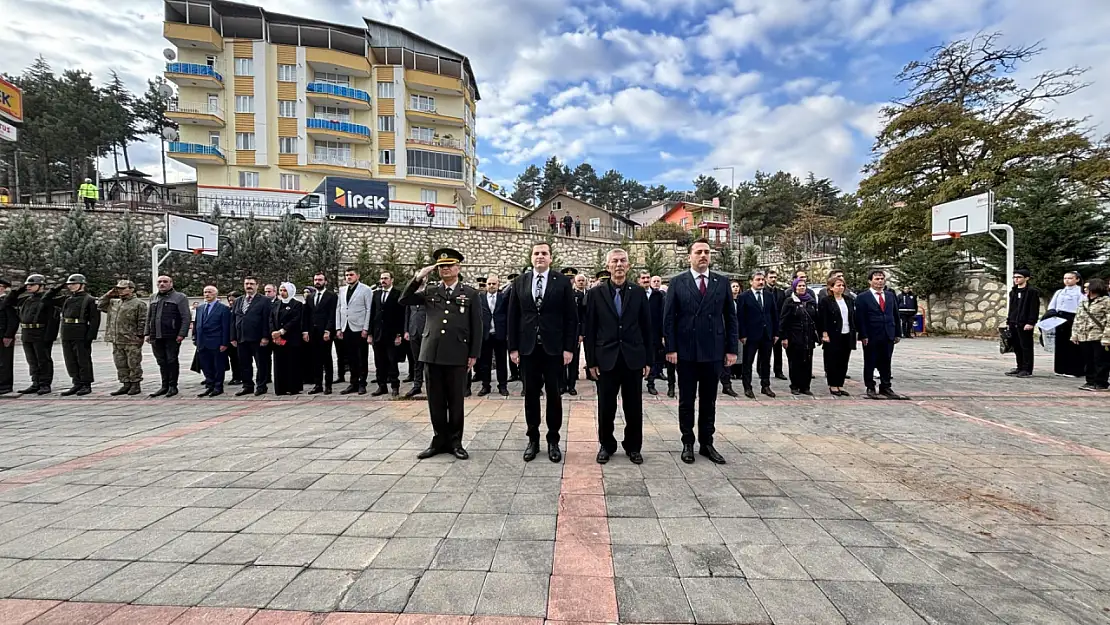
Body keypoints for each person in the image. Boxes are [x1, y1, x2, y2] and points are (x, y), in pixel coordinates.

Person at [663, 239, 739, 465]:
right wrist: (671, 348)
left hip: (713, 350)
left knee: (709, 400)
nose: (703, 255)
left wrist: (731, 349)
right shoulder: (678, 282)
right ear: (689, 256)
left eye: (706, 252)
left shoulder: (722, 282)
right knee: (686, 400)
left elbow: (731, 318)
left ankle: (707, 442)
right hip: (686, 351)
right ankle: (687, 441)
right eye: (698, 252)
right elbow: (668, 319)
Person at [402, 248, 483, 460]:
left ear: (458, 267)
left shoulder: (470, 293)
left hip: (457, 353)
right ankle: (438, 440)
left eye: (449, 265)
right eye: (441, 266)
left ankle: (456, 442)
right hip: (432, 354)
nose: (445, 269)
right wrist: (418, 277)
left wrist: (473, 354)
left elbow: (477, 326)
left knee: (456, 401)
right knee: (435, 401)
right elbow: (404, 300)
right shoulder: (429, 291)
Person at [508, 241, 578, 463]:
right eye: (536, 253)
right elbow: (513, 317)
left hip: (554, 349)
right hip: (528, 349)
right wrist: (513, 348)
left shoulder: (562, 282)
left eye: (544, 253)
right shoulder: (520, 282)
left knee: (554, 396)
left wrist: (569, 348)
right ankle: (533, 439)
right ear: (531, 257)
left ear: (550, 258)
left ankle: (553, 440)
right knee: (530, 395)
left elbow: (571, 318)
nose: (540, 256)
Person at [585, 249, 652, 464]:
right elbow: (590, 329)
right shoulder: (596, 293)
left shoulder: (638, 292)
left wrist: (648, 360)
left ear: (629, 265)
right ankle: (606, 445)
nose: (619, 264)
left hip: (633, 357)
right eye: (615, 261)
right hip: (606, 358)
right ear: (608, 266)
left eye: (623, 261)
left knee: (633, 406)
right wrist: (591, 362)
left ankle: (633, 446)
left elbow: (646, 327)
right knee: (606, 406)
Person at [3, 275, 60, 395]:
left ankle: (45, 384)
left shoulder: (46, 300)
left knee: (43, 359)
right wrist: (20, 290)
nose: (28, 287)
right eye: (27, 285)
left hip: (40, 332)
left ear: (41, 286)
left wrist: (49, 337)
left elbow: (53, 320)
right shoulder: (26, 300)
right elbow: (7, 302)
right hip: (27, 332)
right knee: (32, 360)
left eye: (31, 285)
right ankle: (35, 382)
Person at [856, 270, 908, 400]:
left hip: (888, 333)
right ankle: (870, 387)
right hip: (871, 335)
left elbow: (895, 315)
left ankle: (886, 386)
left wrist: (897, 332)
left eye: (882, 278)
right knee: (870, 361)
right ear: (870, 281)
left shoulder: (890, 295)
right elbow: (860, 318)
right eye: (877, 279)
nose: (880, 281)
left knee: (886, 361)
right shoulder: (863, 297)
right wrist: (863, 335)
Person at [51, 274, 100, 396]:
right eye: (69, 284)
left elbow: (95, 320)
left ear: (82, 285)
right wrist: (59, 286)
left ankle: (86, 384)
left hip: (81, 330)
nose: (71, 286)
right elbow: (46, 300)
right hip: (67, 331)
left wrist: (90, 336)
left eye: (74, 284)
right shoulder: (68, 299)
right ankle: (76, 382)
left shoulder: (90, 299)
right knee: (70, 359)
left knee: (83, 359)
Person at [99, 280, 148, 396]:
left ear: (131, 289)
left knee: (133, 363)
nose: (120, 290)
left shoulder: (139, 303)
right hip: (117, 339)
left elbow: (142, 321)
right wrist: (109, 294)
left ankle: (135, 384)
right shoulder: (114, 303)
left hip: (131, 339)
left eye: (123, 288)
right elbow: (100, 305)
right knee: (120, 363)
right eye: (118, 288)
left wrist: (140, 337)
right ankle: (125, 383)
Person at [146, 275, 190, 398]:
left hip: (172, 335)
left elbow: (186, 317)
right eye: (159, 282)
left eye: (165, 282)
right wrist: (147, 333)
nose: (162, 284)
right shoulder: (153, 297)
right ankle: (164, 386)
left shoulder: (180, 297)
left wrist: (182, 333)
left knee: (171, 360)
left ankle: (172, 386)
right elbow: (149, 317)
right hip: (156, 335)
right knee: (161, 361)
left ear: (171, 283)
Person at [737, 270, 779, 399]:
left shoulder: (768, 295)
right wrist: (742, 334)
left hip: (767, 334)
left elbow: (774, 315)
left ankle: (765, 386)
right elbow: (740, 317)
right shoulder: (744, 296)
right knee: (748, 362)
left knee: (766, 361)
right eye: (758, 280)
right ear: (751, 281)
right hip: (750, 335)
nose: (761, 282)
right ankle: (747, 387)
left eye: (762, 280)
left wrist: (776, 333)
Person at [231, 277, 273, 396]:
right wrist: (233, 337)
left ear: (257, 285)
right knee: (244, 363)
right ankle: (247, 385)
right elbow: (233, 319)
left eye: (251, 284)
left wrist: (265, 337)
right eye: (246, 283)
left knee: (261, 363)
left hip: (258, 338)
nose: (249, 286)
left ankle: (261, 386)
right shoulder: (238, 300)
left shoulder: (264, 300)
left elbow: (267, 319)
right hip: (241, 338)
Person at [336, 268, 373, 394]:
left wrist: (366, 328)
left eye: (351, 275)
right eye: (346, 275)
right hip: (346, 327)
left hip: (359, 327)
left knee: (361, 357)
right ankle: (353, 382)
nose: (348, 277)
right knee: (350, 357)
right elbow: (339, 308)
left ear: (358, 275)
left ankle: (362, 383)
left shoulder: (366, 290)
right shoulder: (342, 290)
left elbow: (369, 309)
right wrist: (338, 327)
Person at [779, 278, 818, 396]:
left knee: (807, 362)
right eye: (799, 286)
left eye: (804, 286)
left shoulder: (811, 301)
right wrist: (784, 337)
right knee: (795, 362)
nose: (802, 288)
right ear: (794, 288)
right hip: (794, 337)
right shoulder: (790, 301)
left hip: (808, 337)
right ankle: (795, 385)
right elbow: (783, 320)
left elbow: (816, 319)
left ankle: (805, 386)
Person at [818, 276, 856, 396]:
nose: (841, 288)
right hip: (833, 334)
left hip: (847, 333)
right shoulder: (826, 301)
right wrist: (824, 333)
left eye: (842, 285)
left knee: (843, 360)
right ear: (831, 287)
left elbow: (852, 317)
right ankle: (833, 385)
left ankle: (840, 384)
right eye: (838, 285)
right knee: (832, 360)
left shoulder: (848, 300)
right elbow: (822, 318)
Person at [369, 271, 405, 397]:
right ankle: (381, 386)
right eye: (381, 278)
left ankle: (395, 386)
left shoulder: (397, 294)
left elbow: (401, 316)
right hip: (378, 334)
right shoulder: (376, 294)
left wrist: (399, 334)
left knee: (392, 361)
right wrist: (370, 333)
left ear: (391, 280)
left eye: (386, 278)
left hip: (392, 334)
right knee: (379, 362)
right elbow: (372, 314)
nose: (383, 280)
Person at [1071, 278, 1110, 391]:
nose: (1085, 289)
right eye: (1085, 287)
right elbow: (1077, 319)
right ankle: (1090, 381)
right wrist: (1074, 334)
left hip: (1099, 336)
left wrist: (1107, 337)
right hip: (1084, 336)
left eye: (1088, 287)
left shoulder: (1106, 301)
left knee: (1101, 360)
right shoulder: (1084, 302)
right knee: (1088, 360)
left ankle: (1101, 383)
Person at [193, 285, 232, 397]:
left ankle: (218, 387)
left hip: (216, 342)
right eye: (205, 292)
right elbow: (197, 324)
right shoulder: (200, 308)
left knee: (218, 366)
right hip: (202, 343)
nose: (207, 294)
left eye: (209, 292)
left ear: (215, 294)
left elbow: (225, 327)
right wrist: (195, 338)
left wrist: (225, 343)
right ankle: (209, 385)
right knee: (206, 366)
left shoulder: (223, 309)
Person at [303, 272, 338, 394]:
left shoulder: (332, 296)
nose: (317, 282)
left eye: (320, 280)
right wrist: (305, 331)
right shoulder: (310, 297)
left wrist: (328, 330)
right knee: (315, 359)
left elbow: (332, 314)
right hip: (313, 332)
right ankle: (318, 384)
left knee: (326, 358)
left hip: (325, 332)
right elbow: (306, 315)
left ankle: (328, 385)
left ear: (325, 281)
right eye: (316, 279)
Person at [1046, 272, 1085, 378]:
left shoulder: (1080, 292)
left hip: (1073, 318)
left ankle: (1073, 370)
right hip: (1059, 317)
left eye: (1070, 278)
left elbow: (1081, 307)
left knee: (1072, 345)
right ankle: (1060, 368)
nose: (1067, 280)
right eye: (1065, 278)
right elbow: (1052, 305)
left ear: (1077, 279)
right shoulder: (1060, 292)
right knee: (1060, 343)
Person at [477, 274, 509, 397]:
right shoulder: (480, 298)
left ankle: (502, 386)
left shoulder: (503, 298)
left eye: (494, 284)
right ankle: (486, 385)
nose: (491, 286)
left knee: (501, 361)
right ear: (486, 285)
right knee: (485, 362)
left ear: (498, 285)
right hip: (485, 334)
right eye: (489, 284)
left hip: (499, 334)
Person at [270, 282, 304, 396]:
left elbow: (296, 319)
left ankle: (293, 387)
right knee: (279, 363)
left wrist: (282, 331)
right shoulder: (275, 304)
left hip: (291, 338)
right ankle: (281, 388)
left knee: (292, 363)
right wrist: (274, 332)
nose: (282, 293)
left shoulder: (297, 304)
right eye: (280, 290)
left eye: (284, 290)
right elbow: (271, 319)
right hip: (277, 339)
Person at [1006, 269, 1041, 378]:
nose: (1016, 279)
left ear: (1026, 278)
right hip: (1013, 322)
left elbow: (1034, 308)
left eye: (1019, 277)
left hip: (1024, 323)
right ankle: (1019, 366)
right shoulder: (1013, 292)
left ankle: (1027, 369)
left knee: (1026, 346)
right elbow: (1011, 308)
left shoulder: (1032, 292)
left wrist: (1031, 322)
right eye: (1015, 277)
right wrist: (1008, 321)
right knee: (1016, 346)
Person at [643, 271, 672, 397]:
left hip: (654, 332)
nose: (645, 280)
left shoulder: (658, 295)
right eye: (643, 278)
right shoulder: (634, 294)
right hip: (638, 334)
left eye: (647, 278)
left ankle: (651, 383)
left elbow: (662, 315)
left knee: (653, 359)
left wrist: (662, 334)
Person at [562, 267, 584, 395]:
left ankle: (571, 385)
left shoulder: (578, 295)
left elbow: (582, 316)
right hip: (560, 332)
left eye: (571, 279)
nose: (569, 281)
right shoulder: (557, 293)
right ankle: (562, 384)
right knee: (561, 360)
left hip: (575, 332)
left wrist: (581, 333)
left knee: (573, 360)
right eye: (567, 278)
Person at [403, 291, 428, 399]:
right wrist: (406, 331)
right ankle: (417, 385)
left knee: (427, 361)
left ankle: (431, 385)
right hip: (413, 331)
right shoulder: (411, 297)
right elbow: (407, 314)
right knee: (416, 360)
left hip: (426, 332)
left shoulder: (428, 295)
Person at [766, 270, 788, 381]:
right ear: (766, 278)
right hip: (766, 325)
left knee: (778, 350)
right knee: (764, 350)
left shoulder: (780, 292)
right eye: (771, 277)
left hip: (778, 324)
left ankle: (778, 371)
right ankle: (762, 370)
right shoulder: (763, 291)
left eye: (775, 277)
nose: (773, 279)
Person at [504, 272, 521, 383]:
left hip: (524, 324)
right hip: (511, 323)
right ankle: (514, 373)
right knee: (512, 348)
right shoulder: (508, 290)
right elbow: (504, 301)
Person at [0, 279, 16, 396]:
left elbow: (13, 320)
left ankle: (5, 385)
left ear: (3, 288)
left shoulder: (8, 301)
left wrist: (9, 335)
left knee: (5, 361)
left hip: (4, 336)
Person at [225, 292, 242, 385]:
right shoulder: (228, 310)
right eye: (229, 300)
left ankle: (240, 376)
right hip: (230, 339)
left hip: (239, 337)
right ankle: (235, 376)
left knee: (239, 359)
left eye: (233, 300)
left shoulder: (241, 310)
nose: (231, 302)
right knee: (233, 359)